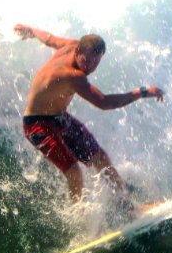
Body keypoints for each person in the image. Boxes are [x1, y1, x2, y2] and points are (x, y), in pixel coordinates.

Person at [14, 24, 164, 203]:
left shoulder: (71, 46)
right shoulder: (73, 76)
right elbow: (104, 102)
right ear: (78, 51)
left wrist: (32, 31)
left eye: (96, 62)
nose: (90, 67)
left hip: (59, 117)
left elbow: (48, 38)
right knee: (74, 172)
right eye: (87, 61)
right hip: (36, 125)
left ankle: (129, 208)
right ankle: (81, 224)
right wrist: (142, 92)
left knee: (100, 158)